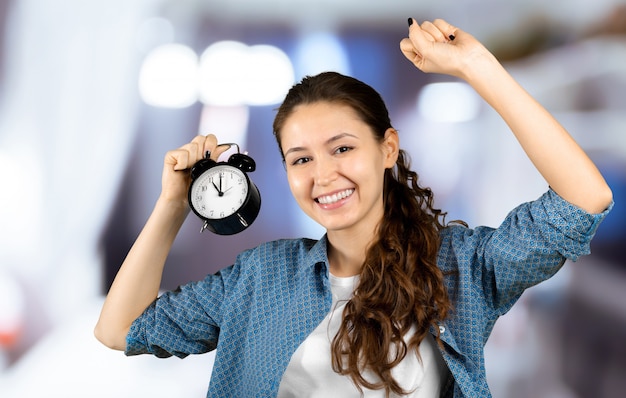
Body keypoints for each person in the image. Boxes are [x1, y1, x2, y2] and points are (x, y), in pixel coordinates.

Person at [94, 18, 613, 397]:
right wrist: (171, 205)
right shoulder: (262, 275)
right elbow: (121, 329)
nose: (324, 176)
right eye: (301, 159)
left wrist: (477, 67)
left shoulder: (461, 266)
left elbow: (584, 198)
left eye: (343, 148)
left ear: (387, 149)